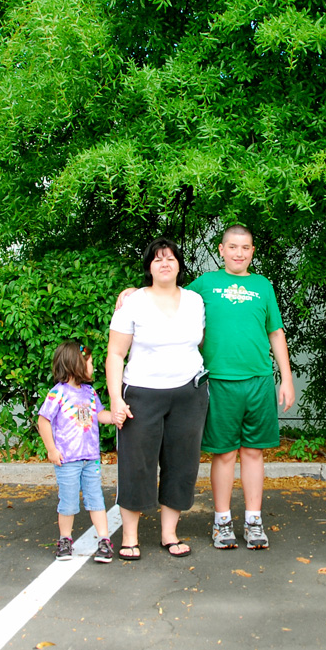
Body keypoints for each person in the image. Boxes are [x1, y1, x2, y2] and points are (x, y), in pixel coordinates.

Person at [187, 225, 295, 551]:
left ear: (252, 251)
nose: (239, 253)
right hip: (219, 381)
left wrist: (286, 378)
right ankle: (222, 521)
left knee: (253, 452)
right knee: (223, 454)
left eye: (245, 247)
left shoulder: (263, 286)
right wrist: (135, 292)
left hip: (259, 380)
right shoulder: (206, 284)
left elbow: (275, 333)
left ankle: (253, 520)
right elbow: (171, 299)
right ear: (221, 250)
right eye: (232, 247)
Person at [106, 238, 208, 561]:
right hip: (142, 394)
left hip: (188, 393)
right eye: (157, 259)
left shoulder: (195, 301)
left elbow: (199, 342)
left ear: (179, 264)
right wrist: (114, 399)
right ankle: (131, 537)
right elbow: (115, 353)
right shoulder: (133, 302)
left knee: (182, 464)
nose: (164, 263)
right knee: (137, 465)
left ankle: (169, 534)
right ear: (149, 267)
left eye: (170, 258)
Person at [37, 340, 116, 563]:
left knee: (96, 499)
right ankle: (65, 540)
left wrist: (114, 416)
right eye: (90, 362)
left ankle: (103, 540)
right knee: (68, 501)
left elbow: (99, 415)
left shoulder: (90, 393)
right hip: (67, 459)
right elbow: (43, 421)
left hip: (90, 458)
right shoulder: (57, 393)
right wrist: (51, 450)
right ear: (76, 364)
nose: (93, 367)